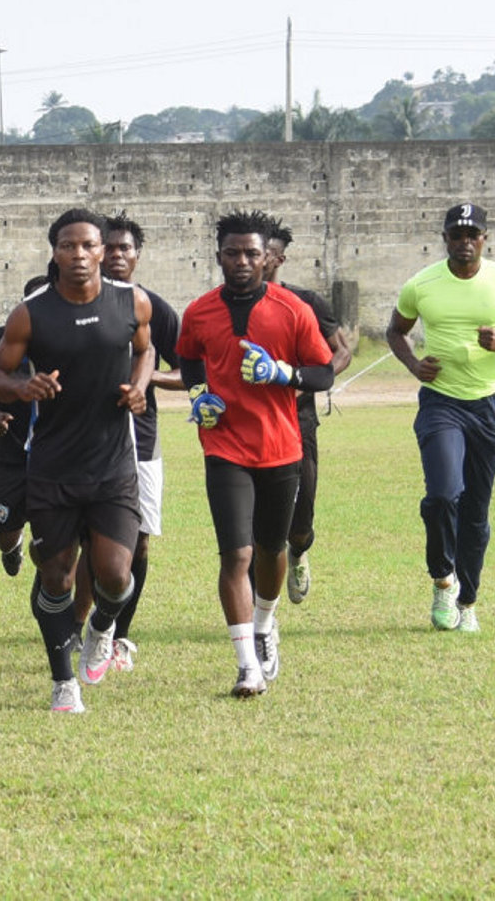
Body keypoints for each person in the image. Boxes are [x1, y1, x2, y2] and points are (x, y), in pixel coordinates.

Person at [0, 208, 153, 714]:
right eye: (68, 246)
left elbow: (146, 350)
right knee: (56, 576)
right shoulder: (32, 313)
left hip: (113, 465)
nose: (79, 255)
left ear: (103, 250)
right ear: (54, 252)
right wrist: (23, 385)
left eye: (88, 246)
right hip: (53, 466)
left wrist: (139, 388)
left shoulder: (131, 301)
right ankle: (63, 682)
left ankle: (101, 627)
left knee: (117, 575)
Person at [177, 211, 333, 696]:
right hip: (224, 446)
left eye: (251, 253)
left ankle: (265, 625)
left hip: (281, 447)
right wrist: (199, 394)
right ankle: (246, 664)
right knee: (236, 553)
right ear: (218, 255)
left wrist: (283, 375)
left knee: (271, 549)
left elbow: (323, 373)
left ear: (267, 257)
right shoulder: (199, 311)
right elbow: (187, 360)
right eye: (232, 252)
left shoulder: (292, 310)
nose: (242, 261)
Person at [387, 203, 495, 633]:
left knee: (476, 511)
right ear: (444, 239)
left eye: (472, 234)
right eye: (456, 235)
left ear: (484, 237)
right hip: (441, 403)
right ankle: (443, 579)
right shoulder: (422, 285)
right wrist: (412, 364)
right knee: (442, 495)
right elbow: (395, 330)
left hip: (487, 406)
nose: (464, 242)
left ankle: (468, 601)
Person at [69, 214, 183, 675]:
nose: (116, 255)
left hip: (140, 440)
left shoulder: (152, 308)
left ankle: (118, 636)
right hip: (84, 440)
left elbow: (192, 371)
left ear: (138, 255)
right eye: (109, 247)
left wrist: (145, 378)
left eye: (125, 249)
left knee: (137, 543)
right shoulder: (70, 302)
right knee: (88, 543)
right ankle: (79, 628)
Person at [263, 223, 355, 603]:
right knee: (255, 523)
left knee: (300, 520)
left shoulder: (306, 303)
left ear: (279, 259)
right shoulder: (227, 303)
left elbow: (342, 351)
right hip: (247, 425)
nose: (254, 257)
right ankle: (258, 613)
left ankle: (299, 550)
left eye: (263, 251)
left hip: (298, 422)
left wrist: (307, 381)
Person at [0, 277, 50, 580]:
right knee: (5, 534)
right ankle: (11, 547)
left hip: (52, 451)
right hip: (10, 448)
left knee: (51, 539)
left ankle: (49, 581)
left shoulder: (64, 342)